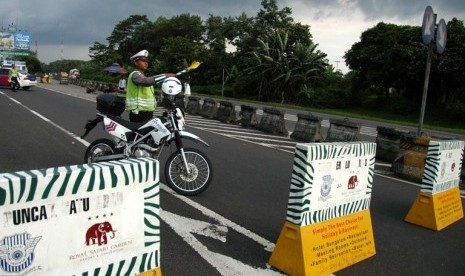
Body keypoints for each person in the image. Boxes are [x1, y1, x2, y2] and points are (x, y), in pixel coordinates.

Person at [126, 50, 176, 122]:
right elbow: (146, 82)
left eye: (147, 61)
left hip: (147, 112)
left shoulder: (143, 76)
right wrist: (165, 75)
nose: (146, 63)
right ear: (136, 62)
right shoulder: (135, 74)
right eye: (143, 61)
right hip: (139, 112)